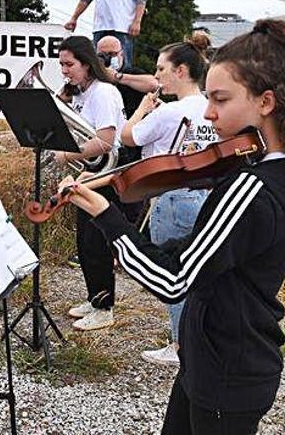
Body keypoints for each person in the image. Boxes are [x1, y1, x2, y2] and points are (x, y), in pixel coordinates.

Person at [59, 19, 285, 434]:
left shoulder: (251, 189)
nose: (208, 112)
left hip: (225, 371)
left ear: (266, 102)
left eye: (221, 100)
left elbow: (174, 282)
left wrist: (106, 214)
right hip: (220, 358)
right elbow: (208, 255)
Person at [120, 31, 217, 367]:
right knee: (202, 273)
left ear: (180, 71)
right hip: (207, 196)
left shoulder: (168, 111)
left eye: (162, 69)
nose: (156, 76)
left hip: (172, 198)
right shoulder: (212, 107)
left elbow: (128, 137)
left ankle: (179, 345)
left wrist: (142, 110)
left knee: (174, 274)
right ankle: (200, 339)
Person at [55, 35, 126, 331]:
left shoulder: (104, 93)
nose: (64, 70)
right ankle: (94, 297)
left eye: (69, 64)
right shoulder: (83, 94)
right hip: (90, 172)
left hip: (107, 174)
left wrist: (66, 154)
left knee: (96, 242)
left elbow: (106, 141)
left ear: (87, 63)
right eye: (61, 64)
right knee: (84, 241)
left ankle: (104, 307)